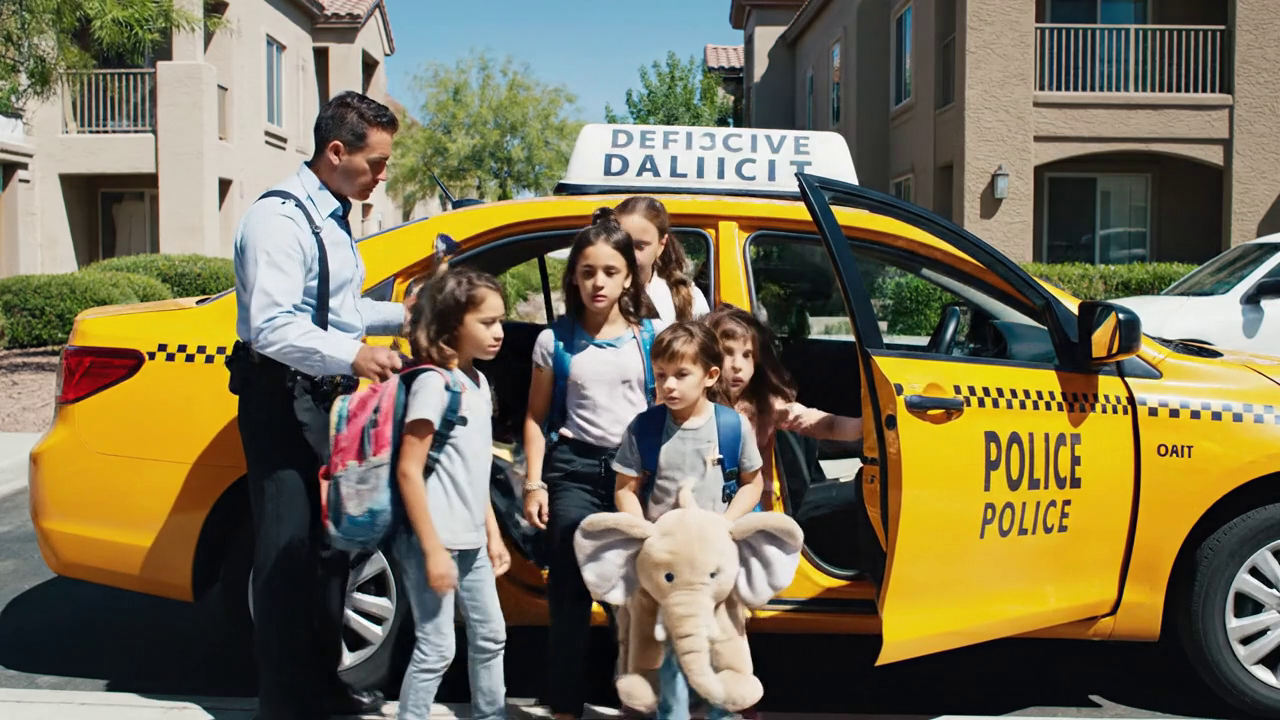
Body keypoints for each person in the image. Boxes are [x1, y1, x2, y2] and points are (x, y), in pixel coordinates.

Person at [227, 90, 405, 720]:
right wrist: (355, 357)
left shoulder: (329, 215)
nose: (383, 174)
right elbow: (275, 327)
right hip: (281, 400)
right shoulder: (279, 220)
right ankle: (284, 704)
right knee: (286, 559)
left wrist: (413, 316)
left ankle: (323, 688)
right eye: (376, 162)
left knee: (332, 554)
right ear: (337, 151)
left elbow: (337, 310)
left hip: (322, 403)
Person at [521, 207, 665, 720]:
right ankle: (563, 705)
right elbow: (537, 418)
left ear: (629, 275)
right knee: (569, 592)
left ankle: (637, 700)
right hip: (574, 471)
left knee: (635, 596)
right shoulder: (553, 342)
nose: (598, 283)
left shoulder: (650, 339)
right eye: (587, 272)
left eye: (610, 272)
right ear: (573, 277)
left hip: (634, 477)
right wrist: (535, 483)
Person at [611, 321, 764, 720]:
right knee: (665, 658)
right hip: (666, 573)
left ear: (710, 376)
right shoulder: (644, 428)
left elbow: (753, 483)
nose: (669, 386)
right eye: (661, 375)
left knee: (722, 649)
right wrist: (647, 534)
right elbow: (625, 489)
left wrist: (726, 523)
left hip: (713, 569)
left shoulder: (732, 426)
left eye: (681, 375)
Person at [395, 266, 511, 720]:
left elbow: (474, 469)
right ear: (450, 325)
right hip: (434, 541)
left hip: (473, 542)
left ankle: (491, 714)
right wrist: (432, 552)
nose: (498, 332)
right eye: (486, 323)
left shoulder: (478, 383)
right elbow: (409, 471)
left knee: (490, 636)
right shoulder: (434, 384)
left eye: (500, 320)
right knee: (436, 647)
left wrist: (493, 533)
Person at [704, 304, 863, 511]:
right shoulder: (700, 406)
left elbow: (817, 423)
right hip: (710, 509)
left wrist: (862, 428)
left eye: (747, 355)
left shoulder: (764, 405)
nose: (737, 365)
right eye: (727, 353)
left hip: (756, 509)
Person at [615, 196, 710, 323]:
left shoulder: (688, 300)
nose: (630, 255)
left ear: (661, 245)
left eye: (640, 246)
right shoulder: (595, 296)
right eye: (622, 245)